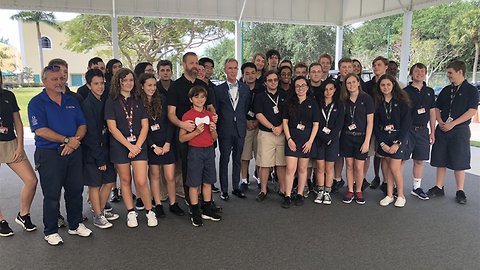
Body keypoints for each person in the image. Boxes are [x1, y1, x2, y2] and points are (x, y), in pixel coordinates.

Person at [28, 65, 92, 246]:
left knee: (75, 190)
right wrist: (66, 140)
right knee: (52, 194)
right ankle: (50, 231)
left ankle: (75, 224)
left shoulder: (71, 100)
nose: (59, 82)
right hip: (49, 154)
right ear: (44, 81)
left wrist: (74, 142)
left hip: (73, 151)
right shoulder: (36, 103)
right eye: (54, 79)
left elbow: (82, 124)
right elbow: (40, 130)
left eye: (61, 79)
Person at [104, 68, 157, 227]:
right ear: (118, 82)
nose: (128, 83)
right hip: (120, 146)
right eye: (124, 80)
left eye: (131, 80)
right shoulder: (111, 101)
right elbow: (112, 128)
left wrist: (137, 146)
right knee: (125, 180)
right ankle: (130, 212)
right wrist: (129, 146)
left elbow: (145, 126)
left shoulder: (139, 100)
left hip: (139, 146)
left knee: (141, 181)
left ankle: (149, 211)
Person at [167, 52, 216, 206]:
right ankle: (191, 202)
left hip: (205, 134)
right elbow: (171, 114)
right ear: (184, 65)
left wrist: (214, 117)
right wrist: (183, 125)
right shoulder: (176, 86)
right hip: (185, 134)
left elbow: (210, 107)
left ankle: (206, 201)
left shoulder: (202, 85)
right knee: (189, 170)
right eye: (191, 63)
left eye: (196, 63)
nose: (194, 66)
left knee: (206, 169)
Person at [428, 60, 479, 204]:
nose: (448, 75)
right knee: (440, 159)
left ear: (460, 72)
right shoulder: (445, 90)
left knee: (459, 161)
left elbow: (472, 111)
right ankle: (439, 186)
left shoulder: (471, 90)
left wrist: (453, 123)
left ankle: (460, 190)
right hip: (443, 129)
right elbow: (437, 108)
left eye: (450, 72)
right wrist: (440, 121)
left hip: (459, 130)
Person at [139, 73, 185, 217]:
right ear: (142, 86)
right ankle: (157, 204)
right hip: (151, 145)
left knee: (170, 176)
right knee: (155, 175)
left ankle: (173, 203)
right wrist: (153, 146)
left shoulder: (163, 100)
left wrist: (167, 143)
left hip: (166, 143)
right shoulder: (139, 104)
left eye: (154, 85)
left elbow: (170, 123)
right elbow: (142, 129)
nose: (152, 88)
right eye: (149, 85)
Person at [0, 69, 38, 232]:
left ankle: (23, 214)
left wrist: (20, 145)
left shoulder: (8, 96)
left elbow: (18, 122)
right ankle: (1, 221)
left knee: (31, 180)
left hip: (11, 142)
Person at [81, 69, 119, 229]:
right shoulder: (87, 105)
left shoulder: (105, 100)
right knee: (95, 184)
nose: (100, 87)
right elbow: (90, 135)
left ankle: (101, 210)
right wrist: (99, 158)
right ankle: (97, 216)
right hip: (93, 152)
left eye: (102, 83)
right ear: (89, 86)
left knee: (110, 181)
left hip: (106, 149)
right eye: (96, 84)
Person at [179, 86, 221, 227]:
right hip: (195, 151)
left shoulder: (209, 115)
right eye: (196, 97)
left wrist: (214, 130)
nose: (200, 99)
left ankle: (207, 208)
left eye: (202, 97)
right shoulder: (187, 116)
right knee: (194, 183)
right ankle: (195, 210)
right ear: (191, 99)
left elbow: (214, 137)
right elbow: (182, 139)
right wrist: (196, 132)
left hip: (209, 150)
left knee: (208, 181)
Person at [374, 74, 412, 207]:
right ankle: (389, 195)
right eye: (382, 85)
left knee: (395, 167)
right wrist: (382, 143)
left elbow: (406, 125)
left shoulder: (402, 102)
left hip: (398, 139)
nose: (385, 87)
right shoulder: (378, 103)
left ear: (393, 85)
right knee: (388, 167)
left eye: (388, 85)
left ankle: (400, 195)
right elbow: (375, 126)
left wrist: (398, 143)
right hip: (384, 138)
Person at [281, 76, 320, 208]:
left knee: (303, 169)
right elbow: (285, 122)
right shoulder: (288, 102)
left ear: (307, 88)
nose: (300, 88)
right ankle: (287, 195)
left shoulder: (313, 103)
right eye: (297, 86)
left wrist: (310, 142)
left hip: (306, 141)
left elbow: (316, 125)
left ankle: (299, 194)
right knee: (290, 169)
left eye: (303, 85)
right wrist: (289, 139)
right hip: (292, 139)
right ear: (294, 88)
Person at [215, 58, 250, 200]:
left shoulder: (245, 89)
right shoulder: (218, 90)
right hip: (225, 129)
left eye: (235, 68)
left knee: (237, 159)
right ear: (225, 70)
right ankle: (224, 190)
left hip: (240, 128)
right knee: (224, 159)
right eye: (230, 68)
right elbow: (216, 110)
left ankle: (236, 187)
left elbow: (245, 108)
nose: (233, 71)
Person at [339, 73, 374, 205]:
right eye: (348, 83)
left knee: (359, 167)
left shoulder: (366, 98)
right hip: (347, 137)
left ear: (358, 82)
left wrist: (367, 142)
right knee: (349, 165)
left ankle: (358, 190)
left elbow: (370, 122)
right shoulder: (344, 100)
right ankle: (349, 190)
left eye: (354, 82)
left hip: (361, 138)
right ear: (345, 85)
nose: (351, 85)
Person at [403, 63, 436, 200]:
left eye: (422, 71)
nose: (419, 73)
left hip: (423, 131)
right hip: (408, 130)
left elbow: (432, 111)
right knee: (401, 160)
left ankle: (416, 187)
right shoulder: (405, 91)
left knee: (419, 161)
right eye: (416, 71)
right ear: (411, 73)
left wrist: (432, 131)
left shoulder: (429, 91)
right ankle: (395, 187)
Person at [254, 70, 287, 201]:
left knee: (281, 164)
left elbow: (288, 114)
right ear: (265, 82)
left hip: (282, 133)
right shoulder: (260, 96)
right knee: (264, 164)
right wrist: (273, 127)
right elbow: (258, 114)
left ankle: (283, 189)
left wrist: (280, 127)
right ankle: (263, 190)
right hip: (266, 133)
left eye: (275, 80)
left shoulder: (285, 95)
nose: (273, 82)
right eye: (270, 80)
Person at [156, 59, 185, 201]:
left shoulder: (177, 86)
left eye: (168, 70)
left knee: (178, 160)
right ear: (158, 72)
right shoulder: (154, 88)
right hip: (160, 130)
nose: (165, 73)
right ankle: (163, 191)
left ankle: (179, 188)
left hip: (177, 127)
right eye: (162, 70)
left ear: (172, 72)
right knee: (161, 163)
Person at [313, 80, 344, 205]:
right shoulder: (317, 104)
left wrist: (331, 137)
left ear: (335, 90)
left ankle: (327, 192)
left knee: (329, 167)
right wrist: (322, 136)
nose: (328, 92)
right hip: (319, 139)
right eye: (326, 89)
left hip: (333, 140)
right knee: (320, 167)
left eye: (331, 89)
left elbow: (339, 124)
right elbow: (316, 122)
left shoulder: (339, 105)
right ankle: (320, 190)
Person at [365, 56, 389, 191]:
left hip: (385, 123)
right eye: (374, 65)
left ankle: (386, 182)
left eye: (379, 65)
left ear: (386, 67)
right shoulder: (368, 85)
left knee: (384, 154)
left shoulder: (391, 84)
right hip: (369, 123)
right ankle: (376, 177)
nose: (376, 68)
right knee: (370, 153)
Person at [240, 62, 262, 190]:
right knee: (245, 155)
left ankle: (260, 178)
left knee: (260, 155)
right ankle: (244, 179)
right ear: (243, 75)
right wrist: (246, 121)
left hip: (259, 126)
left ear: (257, 74)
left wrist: (258, 121)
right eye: (247, 73)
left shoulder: (262, 89)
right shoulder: (239, 88)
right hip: (245, 126)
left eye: (253, 73)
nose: (250, 76)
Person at [104, 59, 123, 203]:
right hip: (109, 132)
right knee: (112, 167)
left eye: (120, 66)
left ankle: (122, 189)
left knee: (123, 168)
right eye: (115, 67)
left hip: (125, 133)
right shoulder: (106, 87)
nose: (117, 69)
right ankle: (114, 190)